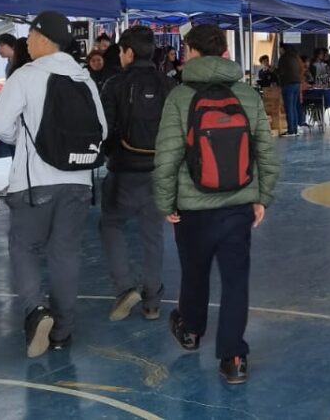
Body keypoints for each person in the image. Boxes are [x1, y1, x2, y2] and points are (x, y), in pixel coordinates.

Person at [153, 25, 278, 385]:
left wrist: (165, 202)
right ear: (224, 50)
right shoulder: (246, 95)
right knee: (236, 280)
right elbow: (265, 152)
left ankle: (190, 330)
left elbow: (167, 157)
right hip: (238, 205)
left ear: (191, 51)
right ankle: (234, 357)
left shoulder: (180, 96)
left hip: (192, 208)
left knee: (194, 272)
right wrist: (262, 197)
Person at [0, 11, 107, 358]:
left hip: (34, 182)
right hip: (77, 182)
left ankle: (36, 310)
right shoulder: (83, 78)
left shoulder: (26, 76)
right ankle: (62, 330)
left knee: (24, 247)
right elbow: (101, 130)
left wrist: (22, 140)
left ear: (44, 38)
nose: (26, 40)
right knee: (65, 254)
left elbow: (0, 126)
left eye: (30, 34)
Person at [99, 26, 175, 323]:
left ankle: (124, 288)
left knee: (111, 225)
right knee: (153, 235)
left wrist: (110, 153)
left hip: (122, 171)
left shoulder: (114, 84)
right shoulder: (168, 85)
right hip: (158, 172)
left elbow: (104, 127)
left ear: (129, 53)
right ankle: (152, 301)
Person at [277, 45, 303, 137]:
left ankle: (291, 130)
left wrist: (275, 71)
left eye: (279, 48)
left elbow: (281, 72)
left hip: (288, 84)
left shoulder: (284, 58)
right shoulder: (295, 57)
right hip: (297, 84)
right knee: (294, 107)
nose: (279, 50)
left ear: (282, 49)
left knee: (289, 108)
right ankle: (295, 129)